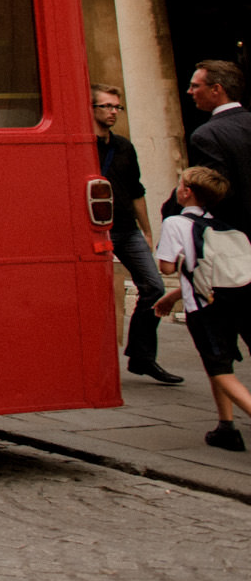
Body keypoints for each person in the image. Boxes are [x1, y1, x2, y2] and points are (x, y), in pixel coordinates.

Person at [154, 166, 251, 452]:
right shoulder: (221, 224)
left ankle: (231, 424)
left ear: (186, 192)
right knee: (219, 364)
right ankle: (225, 426)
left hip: (205, 308)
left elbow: (167, 266)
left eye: (180, 184)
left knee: (219, 369)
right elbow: (210, 271)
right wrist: (173, 297)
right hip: (235, 299)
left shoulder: (175, 223)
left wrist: (178, 272)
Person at [96, 84, 183, 386]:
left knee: (154, 287)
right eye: (106, 106)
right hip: (97, 230)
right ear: (91, 109)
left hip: (127, 229)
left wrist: (146, 231)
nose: (113, 112)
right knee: (96, 297)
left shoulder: (124, 147)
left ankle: (142, 356)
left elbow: (136, 192)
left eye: (117, 107)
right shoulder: (83, 146)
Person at [187, 62, 251, 232]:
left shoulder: (206, 135)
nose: (190, 91)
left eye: (195, 86)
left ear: (216, 89)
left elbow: (216, 193)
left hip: (239, 235)